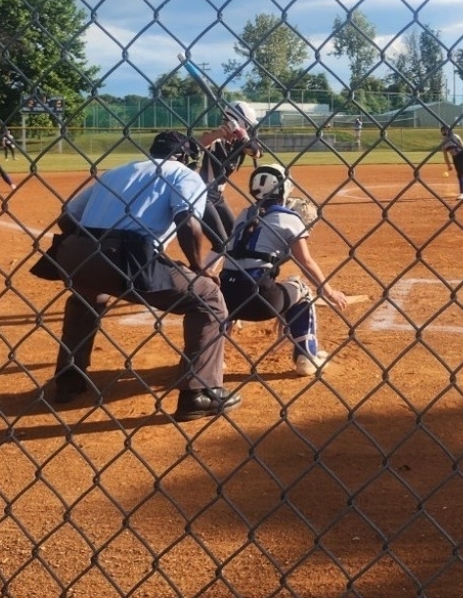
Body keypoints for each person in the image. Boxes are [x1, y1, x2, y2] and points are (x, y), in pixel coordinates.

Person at [49, 131, 239, 421]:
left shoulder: (116, 172)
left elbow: (67, 218)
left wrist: (99, 248)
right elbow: (188, 223)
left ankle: (68, 379)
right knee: (209, 297)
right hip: (128, 258)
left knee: (86, 295)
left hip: (74, 255)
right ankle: (198, 393)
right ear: (184, 157)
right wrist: (198, 266)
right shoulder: (183, 174)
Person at [220, 163, 348, 376]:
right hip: (261, 301)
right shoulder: (290, 218)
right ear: (284, 187)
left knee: (234, 283)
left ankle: (214, 358)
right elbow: (306, 262)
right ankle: (307, 357)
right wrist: (330, 292)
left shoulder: (243, 215)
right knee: (301, 289)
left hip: (226, 299)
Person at [198, 101, 263, 237]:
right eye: (248, 124)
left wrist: (242, 135)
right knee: (222, 243)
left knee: (235, 236)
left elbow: (257, 153)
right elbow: (198, 144)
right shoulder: (216, 140)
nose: (249, 128)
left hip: (218, 197)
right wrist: (221, 132)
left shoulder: (239, 143)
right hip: (203, 196)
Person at [441, 125, 463, 200]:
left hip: (462, 155)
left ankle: (462, 193)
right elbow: (445, 155)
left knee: (460, 175)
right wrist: (448, 165)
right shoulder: (444, 142)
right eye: (444, 130)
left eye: (446, 130)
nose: (445, 132)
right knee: (461, 174)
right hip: (455, 158)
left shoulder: (456, 137)